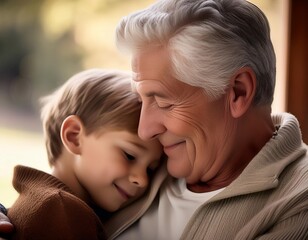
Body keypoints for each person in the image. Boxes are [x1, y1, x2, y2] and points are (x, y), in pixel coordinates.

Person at [1, 0, 308, 239]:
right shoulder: (164, 157)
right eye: (143, 98)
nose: (145, 130)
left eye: (162, 102)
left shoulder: (297, 203)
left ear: (238, 92)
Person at [5, 69, 164, 240]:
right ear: (74, 136)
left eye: (150, 169)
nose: (142, 179)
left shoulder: (49, 202)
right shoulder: (62, 211)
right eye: (130, 156)